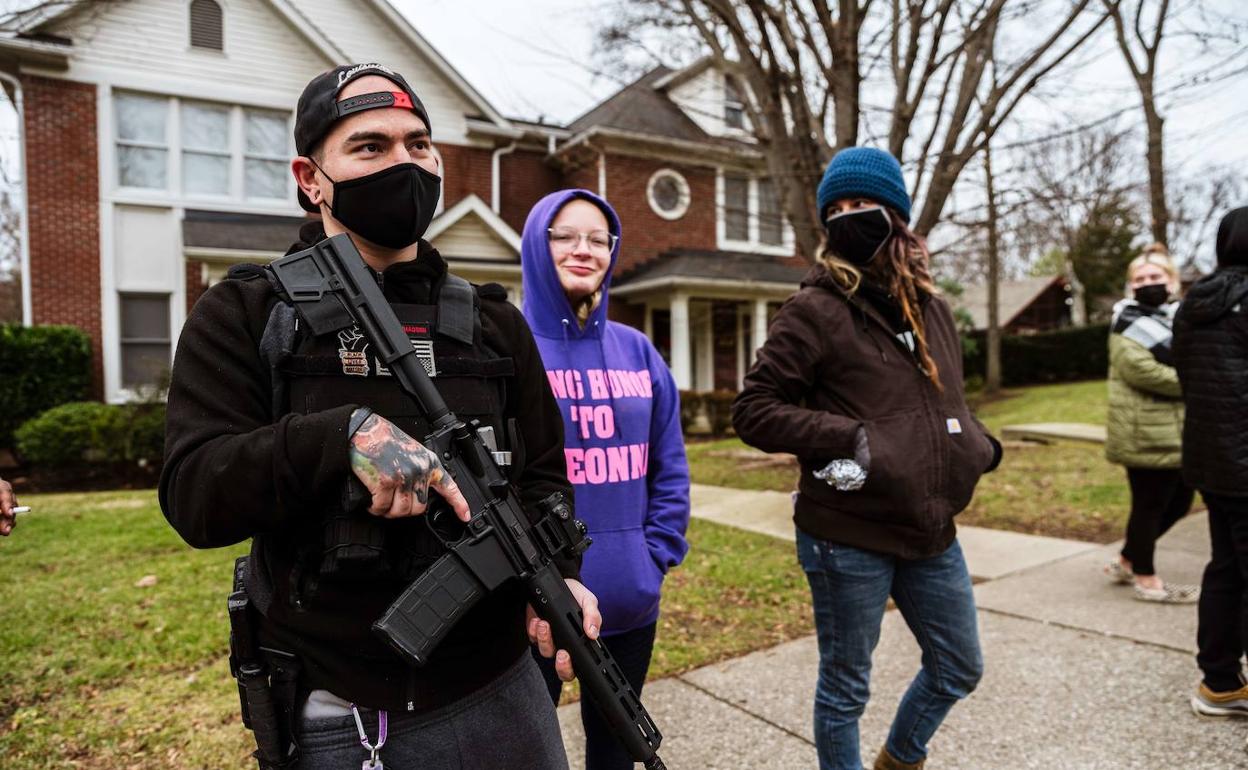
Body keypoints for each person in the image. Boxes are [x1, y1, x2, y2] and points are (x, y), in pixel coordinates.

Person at [159, 63, 600, 770]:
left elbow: (545, 474)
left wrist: (563, 575)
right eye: (371, 147)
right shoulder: (246, 315)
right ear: (311, 179)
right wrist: (337, 440)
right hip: (347, 714)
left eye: (418, 144)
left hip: (507, 691)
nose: (405, 162)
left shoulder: (491, 324)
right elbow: (193, 493)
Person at [732, 147, 1002, 770]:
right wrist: (850, 438)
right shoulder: (814, 309)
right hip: (847, 535)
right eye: (840, 208)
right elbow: (754, 409)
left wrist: (979, 445)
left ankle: (900, 757)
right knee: (847, 688)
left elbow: (942, 402)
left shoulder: (932, 308)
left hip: (931, 528)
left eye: (866, 205)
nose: (851, 217)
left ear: (897, 215)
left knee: (959, 666)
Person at [519, 189, 691, 770]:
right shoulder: (509, 345)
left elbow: (669, 464)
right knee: (525, 753)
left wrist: (655, 556)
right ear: (537, 245)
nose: (583, 249)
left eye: (598, 239)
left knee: (617, 752)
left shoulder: (638, 351)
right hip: (532, 609)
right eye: (565, 235)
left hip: (628, 599)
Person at [1173, 206, 1248, 718]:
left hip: (1212, 462)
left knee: (1226, 568)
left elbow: (1184, 374)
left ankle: (1219, 681)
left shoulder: (1193, 304)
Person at [1103, 244, 1198, 603]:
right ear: (1131, 286)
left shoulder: (1179, 319)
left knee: (1179, 501)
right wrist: (1197, 380)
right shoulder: (1125, 323)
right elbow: (1142, 371)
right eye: (1140, 279)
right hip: (1142, 432)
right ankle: (1146, 577)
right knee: (1150, 504)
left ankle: (1128, 558)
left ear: (1172, 281)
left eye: (1155, 276)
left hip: (1173, 429)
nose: (1148, 283)